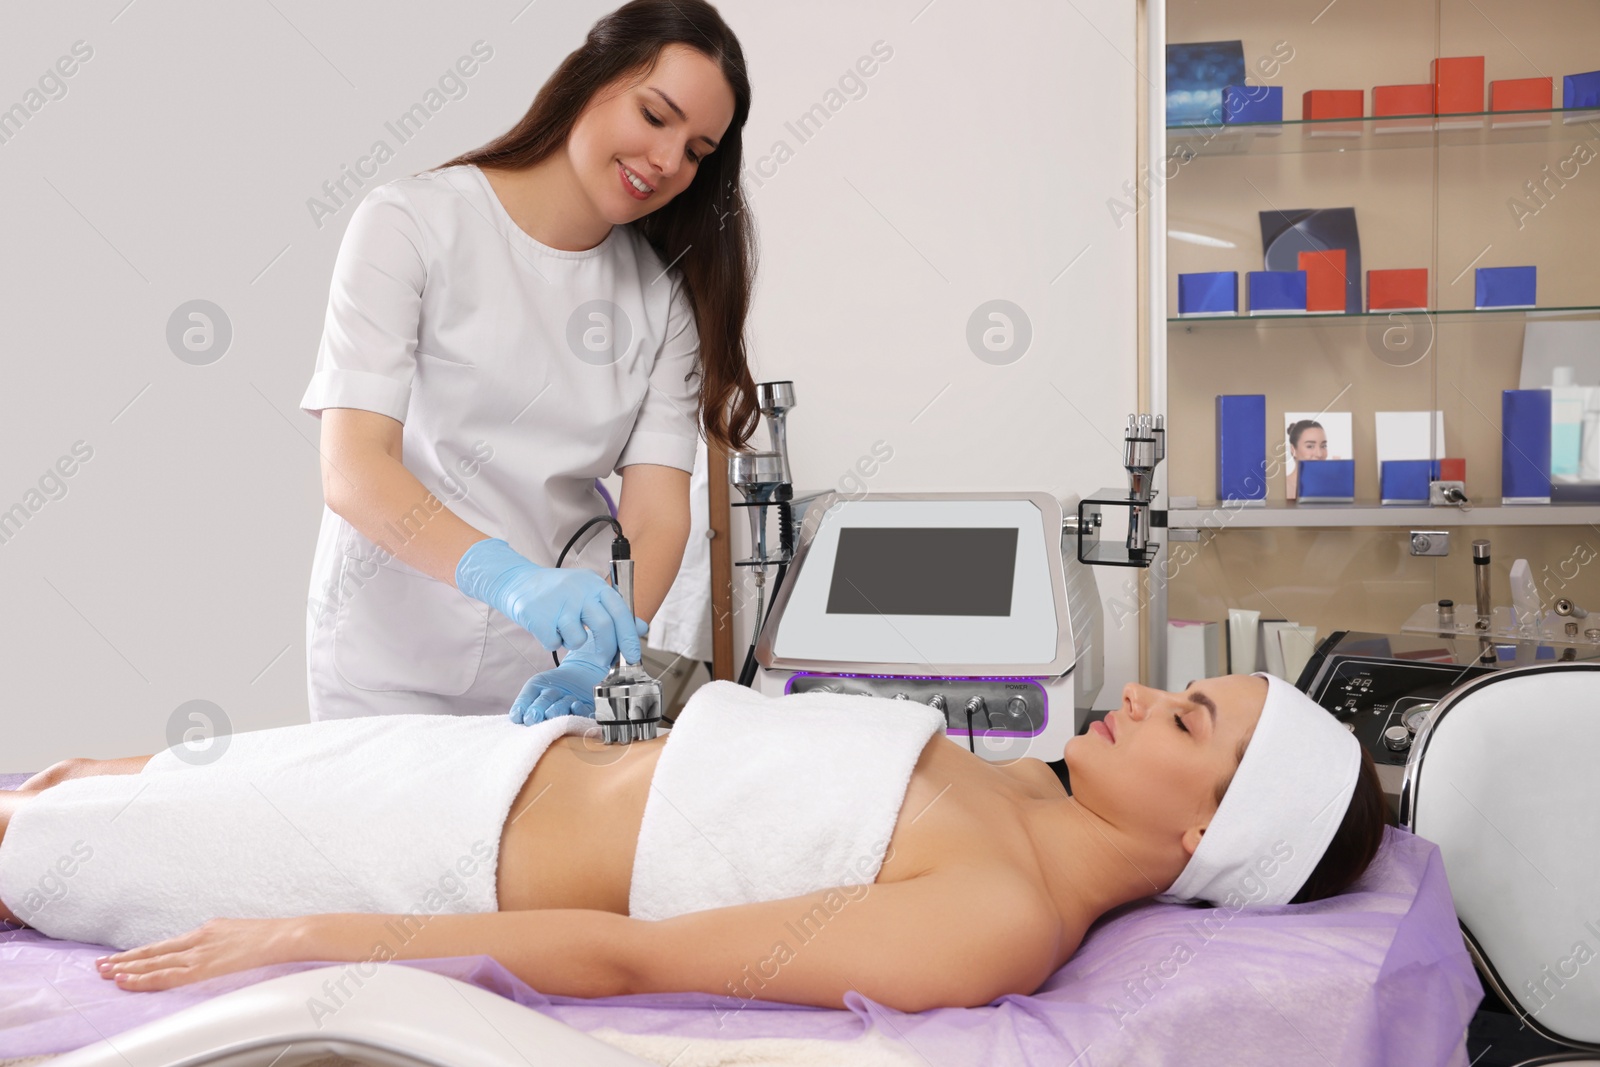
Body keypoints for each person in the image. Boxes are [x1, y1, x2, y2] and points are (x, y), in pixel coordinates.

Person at [0, 675, 1389, 1012]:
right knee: (58, 794)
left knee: (28, 851)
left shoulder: (996, 912)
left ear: (1209, 825)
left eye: (1188, 714)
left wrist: (310, 936)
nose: (1145, 693)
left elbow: (627, 949)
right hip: (463, 755)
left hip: (408, 850)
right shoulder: (1028, 787)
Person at [299, 0, 760, 722]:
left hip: (548, 674)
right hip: (388, 661)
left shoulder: (662, 303)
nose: (670, 161)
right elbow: (353, 466)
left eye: (698, 151)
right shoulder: (410, 224)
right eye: (655, 116)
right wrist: (505, 577)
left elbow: (657, 514)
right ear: (591, 77)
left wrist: (598, 656)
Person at [1284, 418, 1328, 501]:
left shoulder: (1331, 486)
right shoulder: (1283, 487)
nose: (1319, 454)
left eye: (1323, 446)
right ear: (1293, 450)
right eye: (1310, 446)